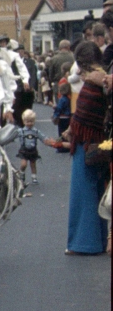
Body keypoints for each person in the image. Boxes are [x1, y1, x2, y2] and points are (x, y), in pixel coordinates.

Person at [53, 42, 109, 255]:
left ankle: (84, 243)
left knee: (83, 195)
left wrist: (70, 132)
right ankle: (100, 240)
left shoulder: (93, 80)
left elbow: (84, 116)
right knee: (98, 193)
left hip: (86, 144)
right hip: (99, 142)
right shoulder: (103, 77)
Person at [16, 109, 43, 185]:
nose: (29, 123)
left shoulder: (35, 131)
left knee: (33, 163)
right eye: (27, 121)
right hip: (24, 150)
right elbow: (13, 136)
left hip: (33, 150)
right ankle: (22, 173)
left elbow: (42, 137)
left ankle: (34, 177)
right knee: (24, 164)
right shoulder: (21, 131)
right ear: (24, 121)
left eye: (31, 121)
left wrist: (48, 141)